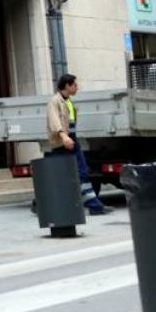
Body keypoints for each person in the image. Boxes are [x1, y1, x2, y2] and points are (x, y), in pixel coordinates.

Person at [46, 73, 111, 215]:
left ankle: (94, 205)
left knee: (80, 172)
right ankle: (93, 205)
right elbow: (54, 121)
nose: (77, 87)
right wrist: (63, 136)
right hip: (63, 143)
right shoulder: (55, 101)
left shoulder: (68, 101)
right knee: (73, 174)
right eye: (75, 85)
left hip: (72, 141)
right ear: (67, 85)